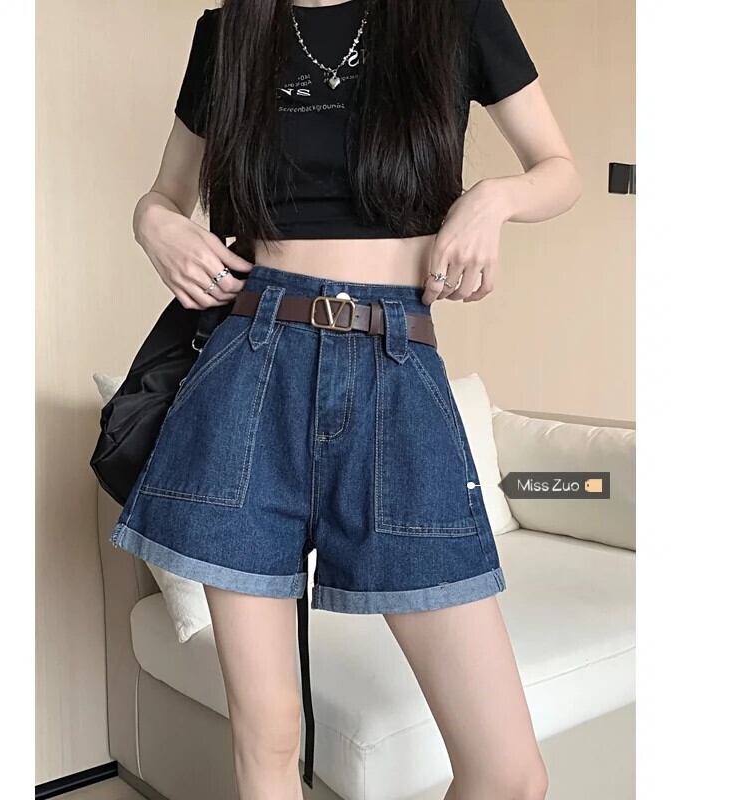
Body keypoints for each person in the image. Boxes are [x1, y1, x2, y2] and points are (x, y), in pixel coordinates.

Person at [110, 1, 581, 797]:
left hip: (396, 370)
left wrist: (491, 199)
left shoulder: (454, 15)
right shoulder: (229, 31)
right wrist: (151, 223)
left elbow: (559, 169)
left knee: (508, 775)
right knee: (267, 745)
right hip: (249, 369)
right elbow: (167, 193)